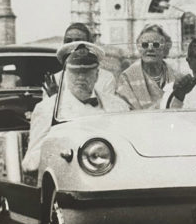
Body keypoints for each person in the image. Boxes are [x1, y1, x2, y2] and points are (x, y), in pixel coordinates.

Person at [22, 42, 128, 172]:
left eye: (87, 72)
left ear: (97, 75)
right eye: (75, 72)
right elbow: (31, 162)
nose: (81, 78)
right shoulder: (47, 110)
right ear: (65, 75)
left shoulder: (118, 107)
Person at [42, 22, 116, 97]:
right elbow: (45, 107)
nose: (73, 46)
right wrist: (54, 98)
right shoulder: (54, 81)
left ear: (88, 46)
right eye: (68, 41)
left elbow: (107, 106)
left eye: (78, 41)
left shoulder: (106, 78)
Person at [116, 24, 176, 110]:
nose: (150, 49)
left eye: (156, 45)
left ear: (166, 48)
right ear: (138, 48)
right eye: (145, 45)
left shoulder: (176, 76)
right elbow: (125, 112)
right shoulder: (127, 77)